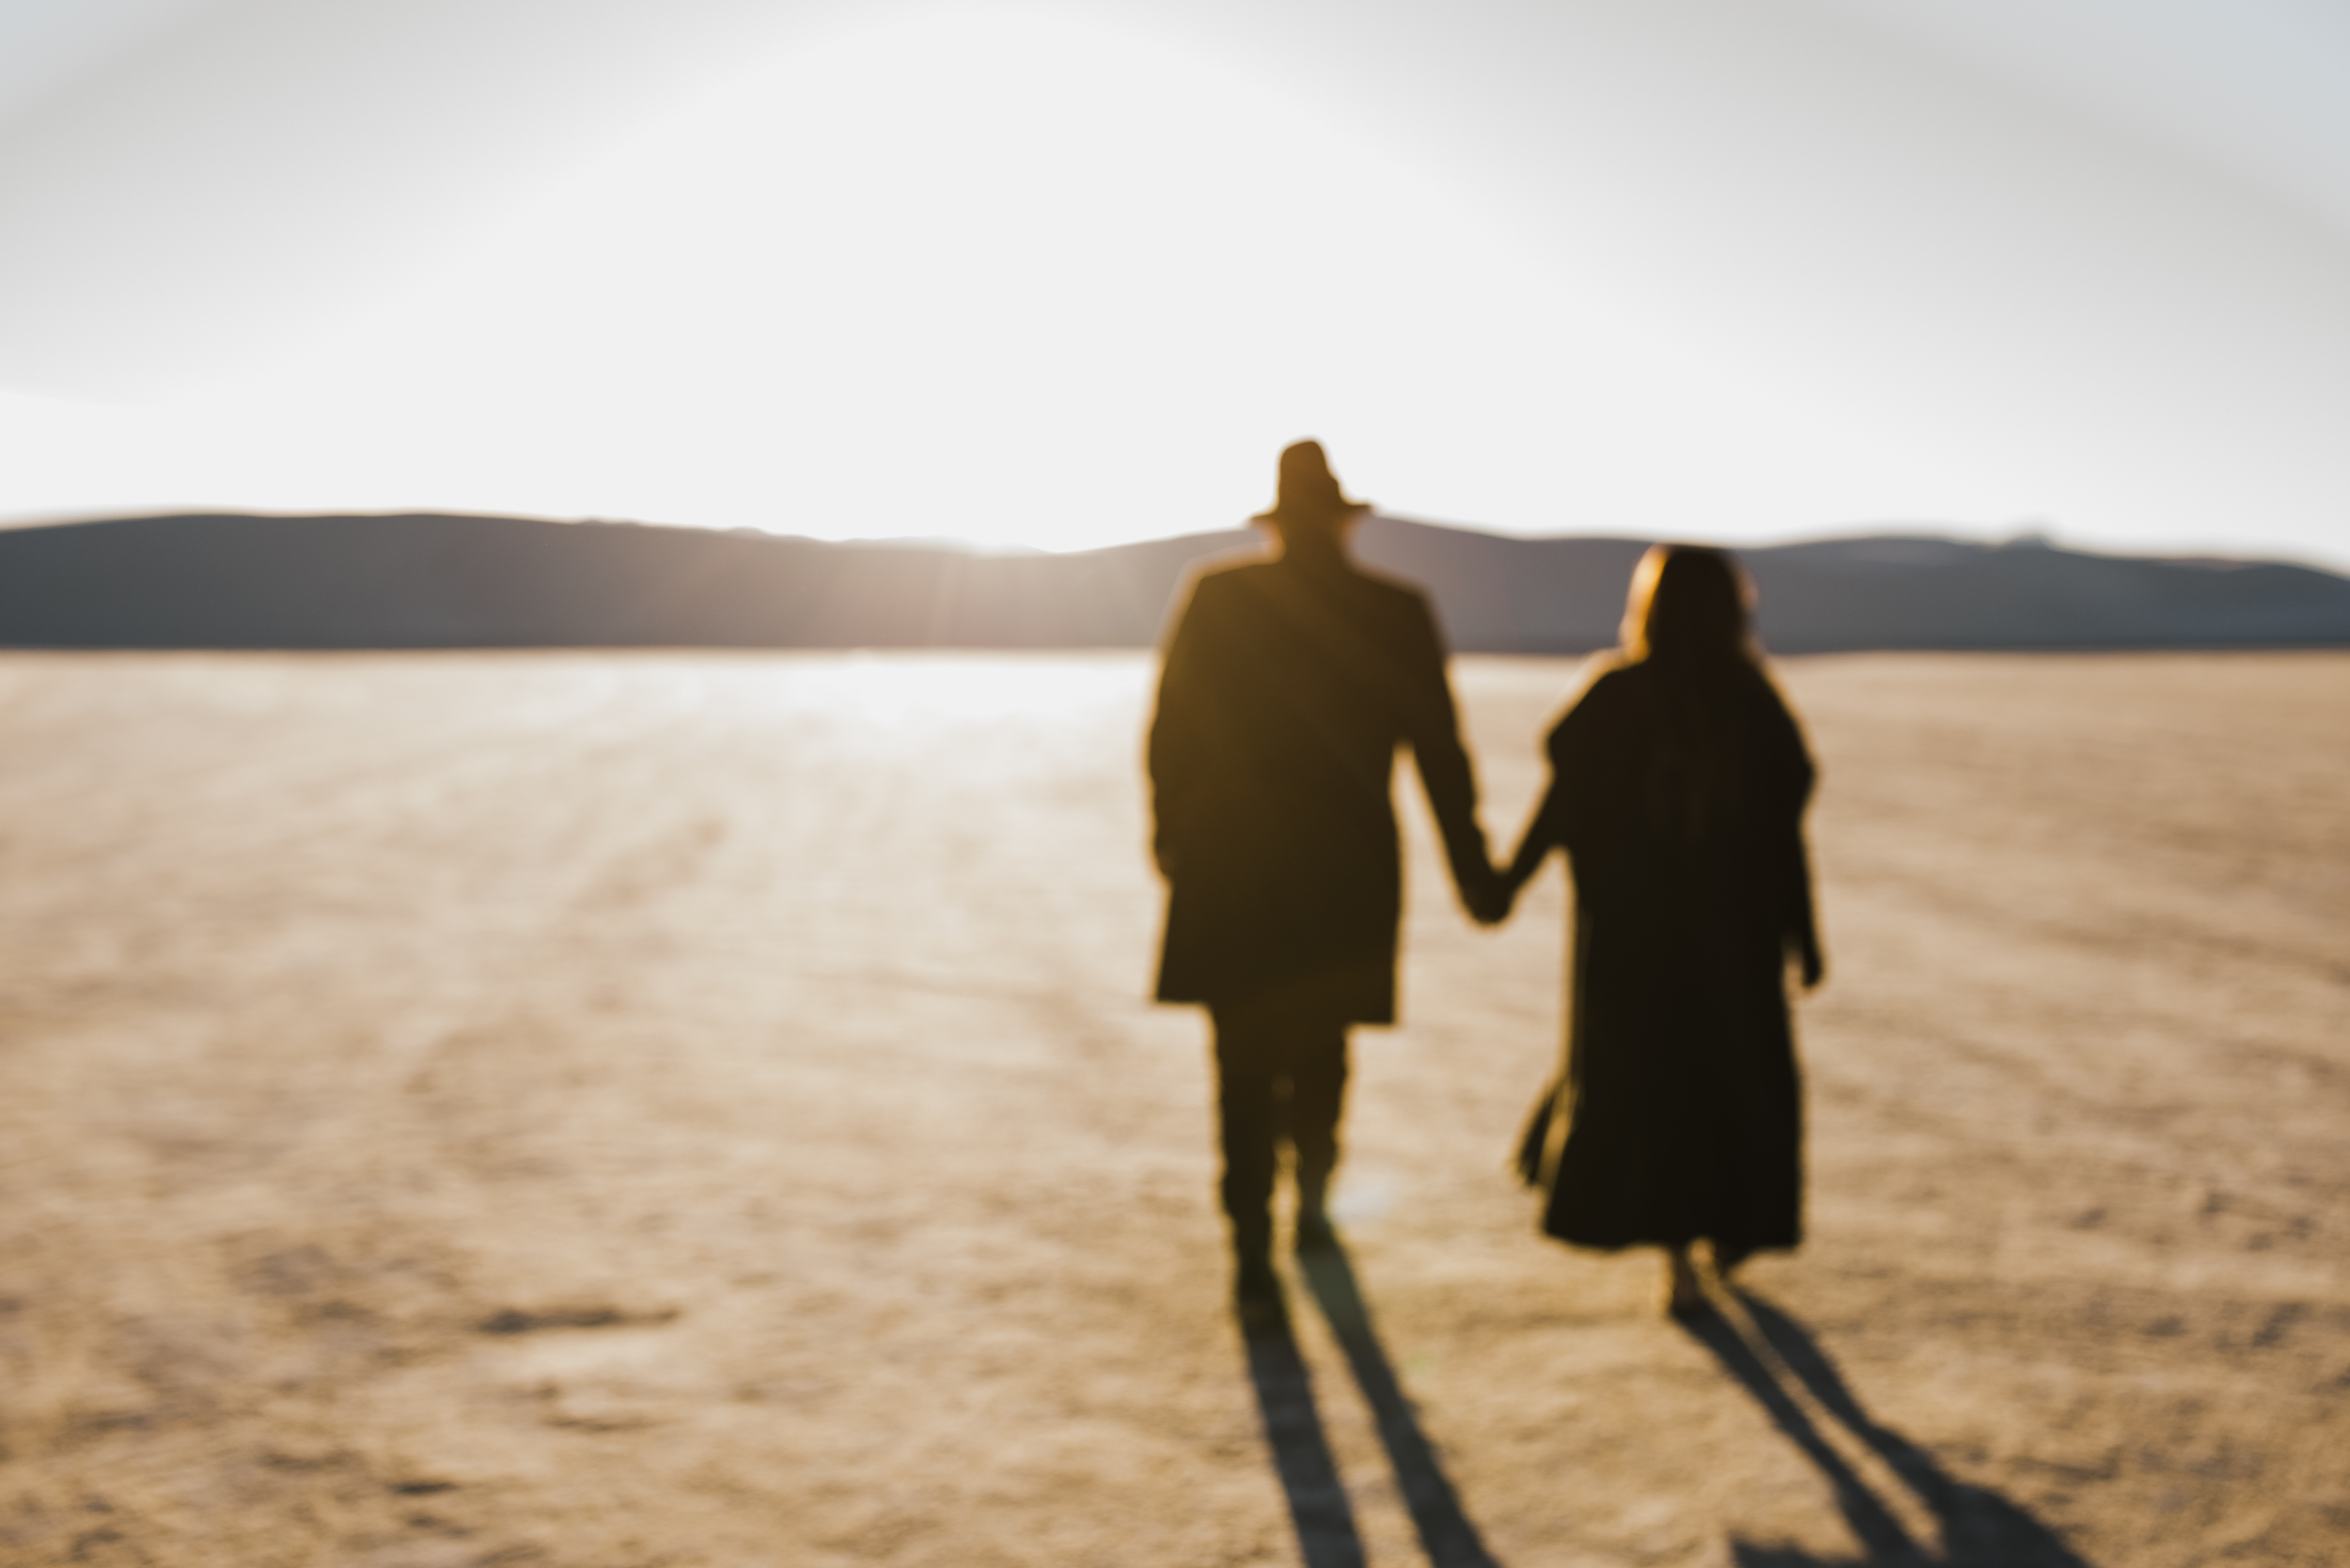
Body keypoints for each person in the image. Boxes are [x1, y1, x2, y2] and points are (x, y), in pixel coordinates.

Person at [1149, 440, 1506, 1317]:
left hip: (1232, 867)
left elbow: (1170, 733)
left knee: (1240, 1063)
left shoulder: (1218, 596)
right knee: (1320, 1051)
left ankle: (1253, 1250)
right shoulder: (1394, 609)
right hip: (1342, 870)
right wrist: (1475, 875)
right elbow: (1440, 751)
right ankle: (1305, 1209)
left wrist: (1174, 844)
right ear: (1345, 523)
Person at [1501, 543, 1824, 1316]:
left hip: (1629, 947)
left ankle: (1678, 1255)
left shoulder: (1615, 697)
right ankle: (1724, 1229)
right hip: (1733, 946)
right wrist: (1802, 936)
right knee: (1730, 1084)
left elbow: (1560, 806)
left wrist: (1503, 885)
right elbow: (1784, 836)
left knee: (1655, 1091)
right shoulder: (1751, 701)